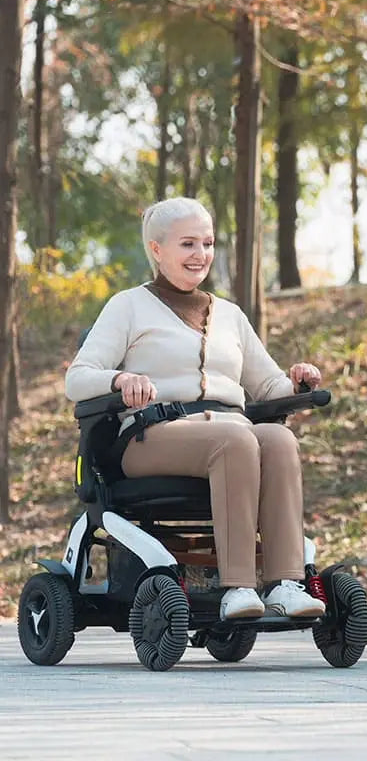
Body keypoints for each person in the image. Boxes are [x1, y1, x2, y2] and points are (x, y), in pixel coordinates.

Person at [65, 196, 326, 621]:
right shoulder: (128, 306)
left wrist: (294, 382)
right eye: (188, 244)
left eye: (207, 244)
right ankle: (239, 587)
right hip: (152, 437)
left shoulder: (231, 316)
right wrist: (120, 380)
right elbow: (77, 378)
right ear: (156, 249)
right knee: (236, 437)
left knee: (277, 438)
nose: (201, 255)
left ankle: (285, 584)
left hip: (228, 432)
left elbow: (268, 384)